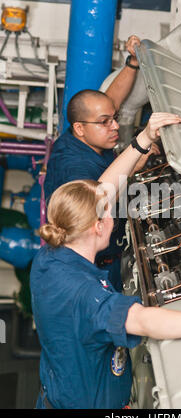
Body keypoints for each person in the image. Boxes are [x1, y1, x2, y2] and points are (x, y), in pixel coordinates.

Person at [31, 114, 181, 409]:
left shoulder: (49, 257)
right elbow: (142, 320)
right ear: (98, 227)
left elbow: (104, 188)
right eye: (107, 211)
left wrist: (144, 139)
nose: (111, 209)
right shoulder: (86, 297)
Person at [44, 35, 160, 292]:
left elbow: (112, 99)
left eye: (114, 118)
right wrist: (136, 161)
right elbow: (100, 200)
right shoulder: (75, 169)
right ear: (80, 128)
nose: (116, 126)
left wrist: (132, 62)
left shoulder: (82, 132)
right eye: (106, 121)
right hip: (97, 267)